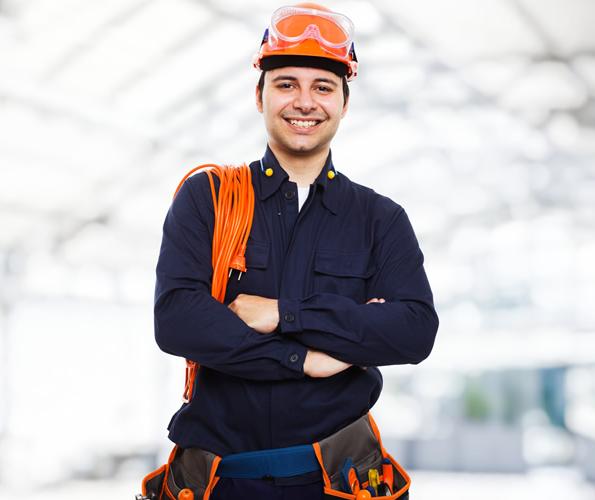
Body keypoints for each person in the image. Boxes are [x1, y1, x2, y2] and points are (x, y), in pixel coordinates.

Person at [150, 3, 438, 499]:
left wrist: (282, 313)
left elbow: (413, 330)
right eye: (287, 84)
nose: (305, 102)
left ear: (344, 103)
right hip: (221, 480)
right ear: (259, 95)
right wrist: (303, 357)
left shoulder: (380, 219)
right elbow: (178, 319)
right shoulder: (209, 199)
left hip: (340, 480)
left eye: (323, 87)